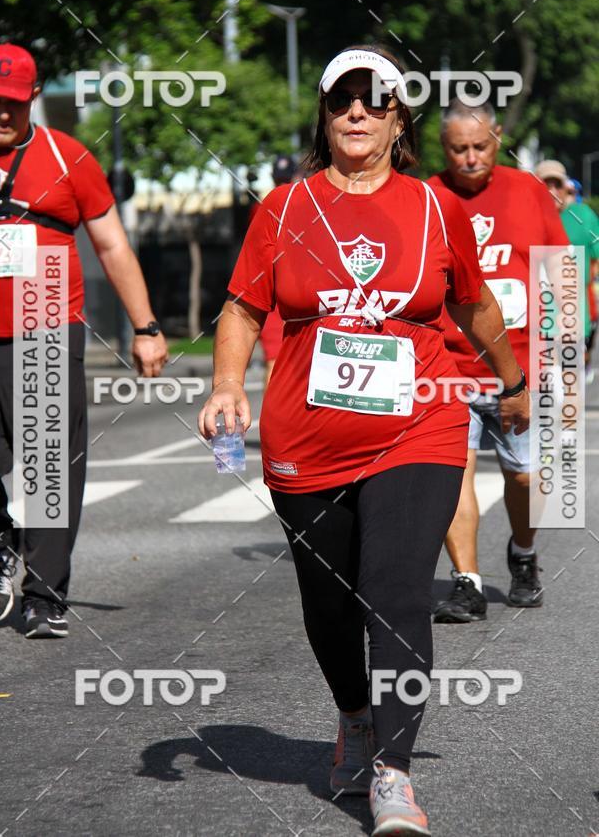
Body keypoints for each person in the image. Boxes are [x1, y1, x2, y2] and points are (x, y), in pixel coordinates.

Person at [199, 45, 528, 836]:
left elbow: (473, 303)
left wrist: (512, 380)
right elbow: (244, 309)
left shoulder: (431, 207)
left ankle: (393, 772)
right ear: (324, 112)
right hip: (304, 436)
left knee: (398, 592)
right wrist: (223, 387)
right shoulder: (283, 207)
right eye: (342, 97)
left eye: (373, 99)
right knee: (330, 603)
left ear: (397, 117)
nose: (357, 111)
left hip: (419, 425)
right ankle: (355, 714)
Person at [0, 44, 168, 637]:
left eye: (12, 104)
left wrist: (145, 328)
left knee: (47, 469)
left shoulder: (67, 157)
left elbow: (113, 244)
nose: (1, 113)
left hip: (44, 319)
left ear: (34, 98)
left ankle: (43, 596)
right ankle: (6, 540)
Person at [429, 100, 568, 625]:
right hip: (445, 366)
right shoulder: (429, 196)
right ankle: (467, 583)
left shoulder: (528, 190)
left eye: (480, 147)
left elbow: (562, 273)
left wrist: (563, 356)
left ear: (499, 138)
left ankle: (524, 552)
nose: (469, 158)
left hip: (518, 367)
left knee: (526, 477)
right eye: (457, 149)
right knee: (452, 474)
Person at [536, 159, 599, 381]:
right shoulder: (527, 217)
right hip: (537, 319)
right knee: (544, 394)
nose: (552, 191)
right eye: (546, 184)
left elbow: (596, 258)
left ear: (566, 188)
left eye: (557, 184)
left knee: (570, 392)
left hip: (573, 315)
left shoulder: (583, 216)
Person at [251, 155, 299, 387]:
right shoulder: (264, 208)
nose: (283, 184)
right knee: (274, 360)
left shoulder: (264, 206)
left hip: (296, 292)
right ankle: (275, 420)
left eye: (285, 179)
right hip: (277, 295)